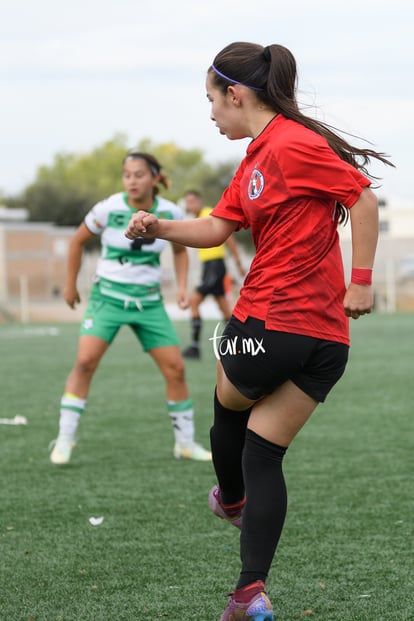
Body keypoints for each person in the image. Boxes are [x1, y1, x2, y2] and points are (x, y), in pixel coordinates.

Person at [125, 42, 393, 621]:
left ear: (236, 93)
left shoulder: (292, 145)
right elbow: (218, 226)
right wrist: (160, 226)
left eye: (211, 100)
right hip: (326, 344)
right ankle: (250, 593)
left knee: (226, 403)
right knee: (264, 453)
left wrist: (363, 280)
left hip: (269, 325)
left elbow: (363, 200)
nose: (211, 112)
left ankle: (230, 500)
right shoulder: (255, 160)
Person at [50, 151, 211, 465]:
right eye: (127, 175)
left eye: (139, 174)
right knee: (84, 363)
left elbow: (180, 250)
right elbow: (76, 242)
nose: (132, 181)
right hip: (107, 298)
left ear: (153, 178)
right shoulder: (108, 208)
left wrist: (181, 287)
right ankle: (65, 440)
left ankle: (186, 444)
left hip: (149, 303)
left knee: (176, 370)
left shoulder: (170, 211)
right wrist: (70, 284)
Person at [182, 189, 246, 360]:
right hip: (209, 267)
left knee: (194, 301)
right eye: (187, 202)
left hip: (215, 266)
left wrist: (239, 263)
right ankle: (238, 345)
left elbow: (229, 238)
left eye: (192, 201)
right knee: (224, 308)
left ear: (199, 201)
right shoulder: (197, 218)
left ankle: (195, 347)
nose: (189, 205)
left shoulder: (208, 214)